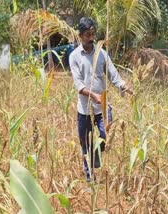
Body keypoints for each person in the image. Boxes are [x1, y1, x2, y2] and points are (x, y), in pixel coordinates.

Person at [69, 17, 134, 182]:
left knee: (106, 135)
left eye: (93, 34)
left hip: (103, 107)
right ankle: (90, 178)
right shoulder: (74, 57)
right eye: (87, 35)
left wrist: (124, 86)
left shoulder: (102, 54)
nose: (91, 38)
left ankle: (96, 152)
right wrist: (93, 96)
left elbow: (113, 75)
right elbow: (79, 84)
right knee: (85, 144)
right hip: (84, 110)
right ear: (80, 35)